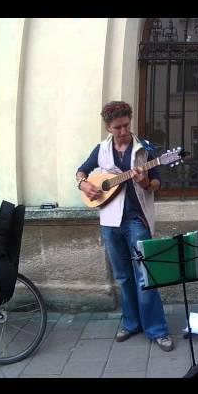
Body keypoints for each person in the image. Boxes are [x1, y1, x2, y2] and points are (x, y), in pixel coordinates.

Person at [76, 101, 174, 352]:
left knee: (146, 275)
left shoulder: (145, 150)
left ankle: (157, 330)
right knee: (122, 276)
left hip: (136, 220)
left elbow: (157, 184)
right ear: (108, 127)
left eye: (126, 125)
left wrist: (144, 182)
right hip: (109, 221)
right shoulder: (101, 149)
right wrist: (83, 185)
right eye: (117, 127)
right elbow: (82, 171)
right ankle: (131, 324)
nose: (123, 131)